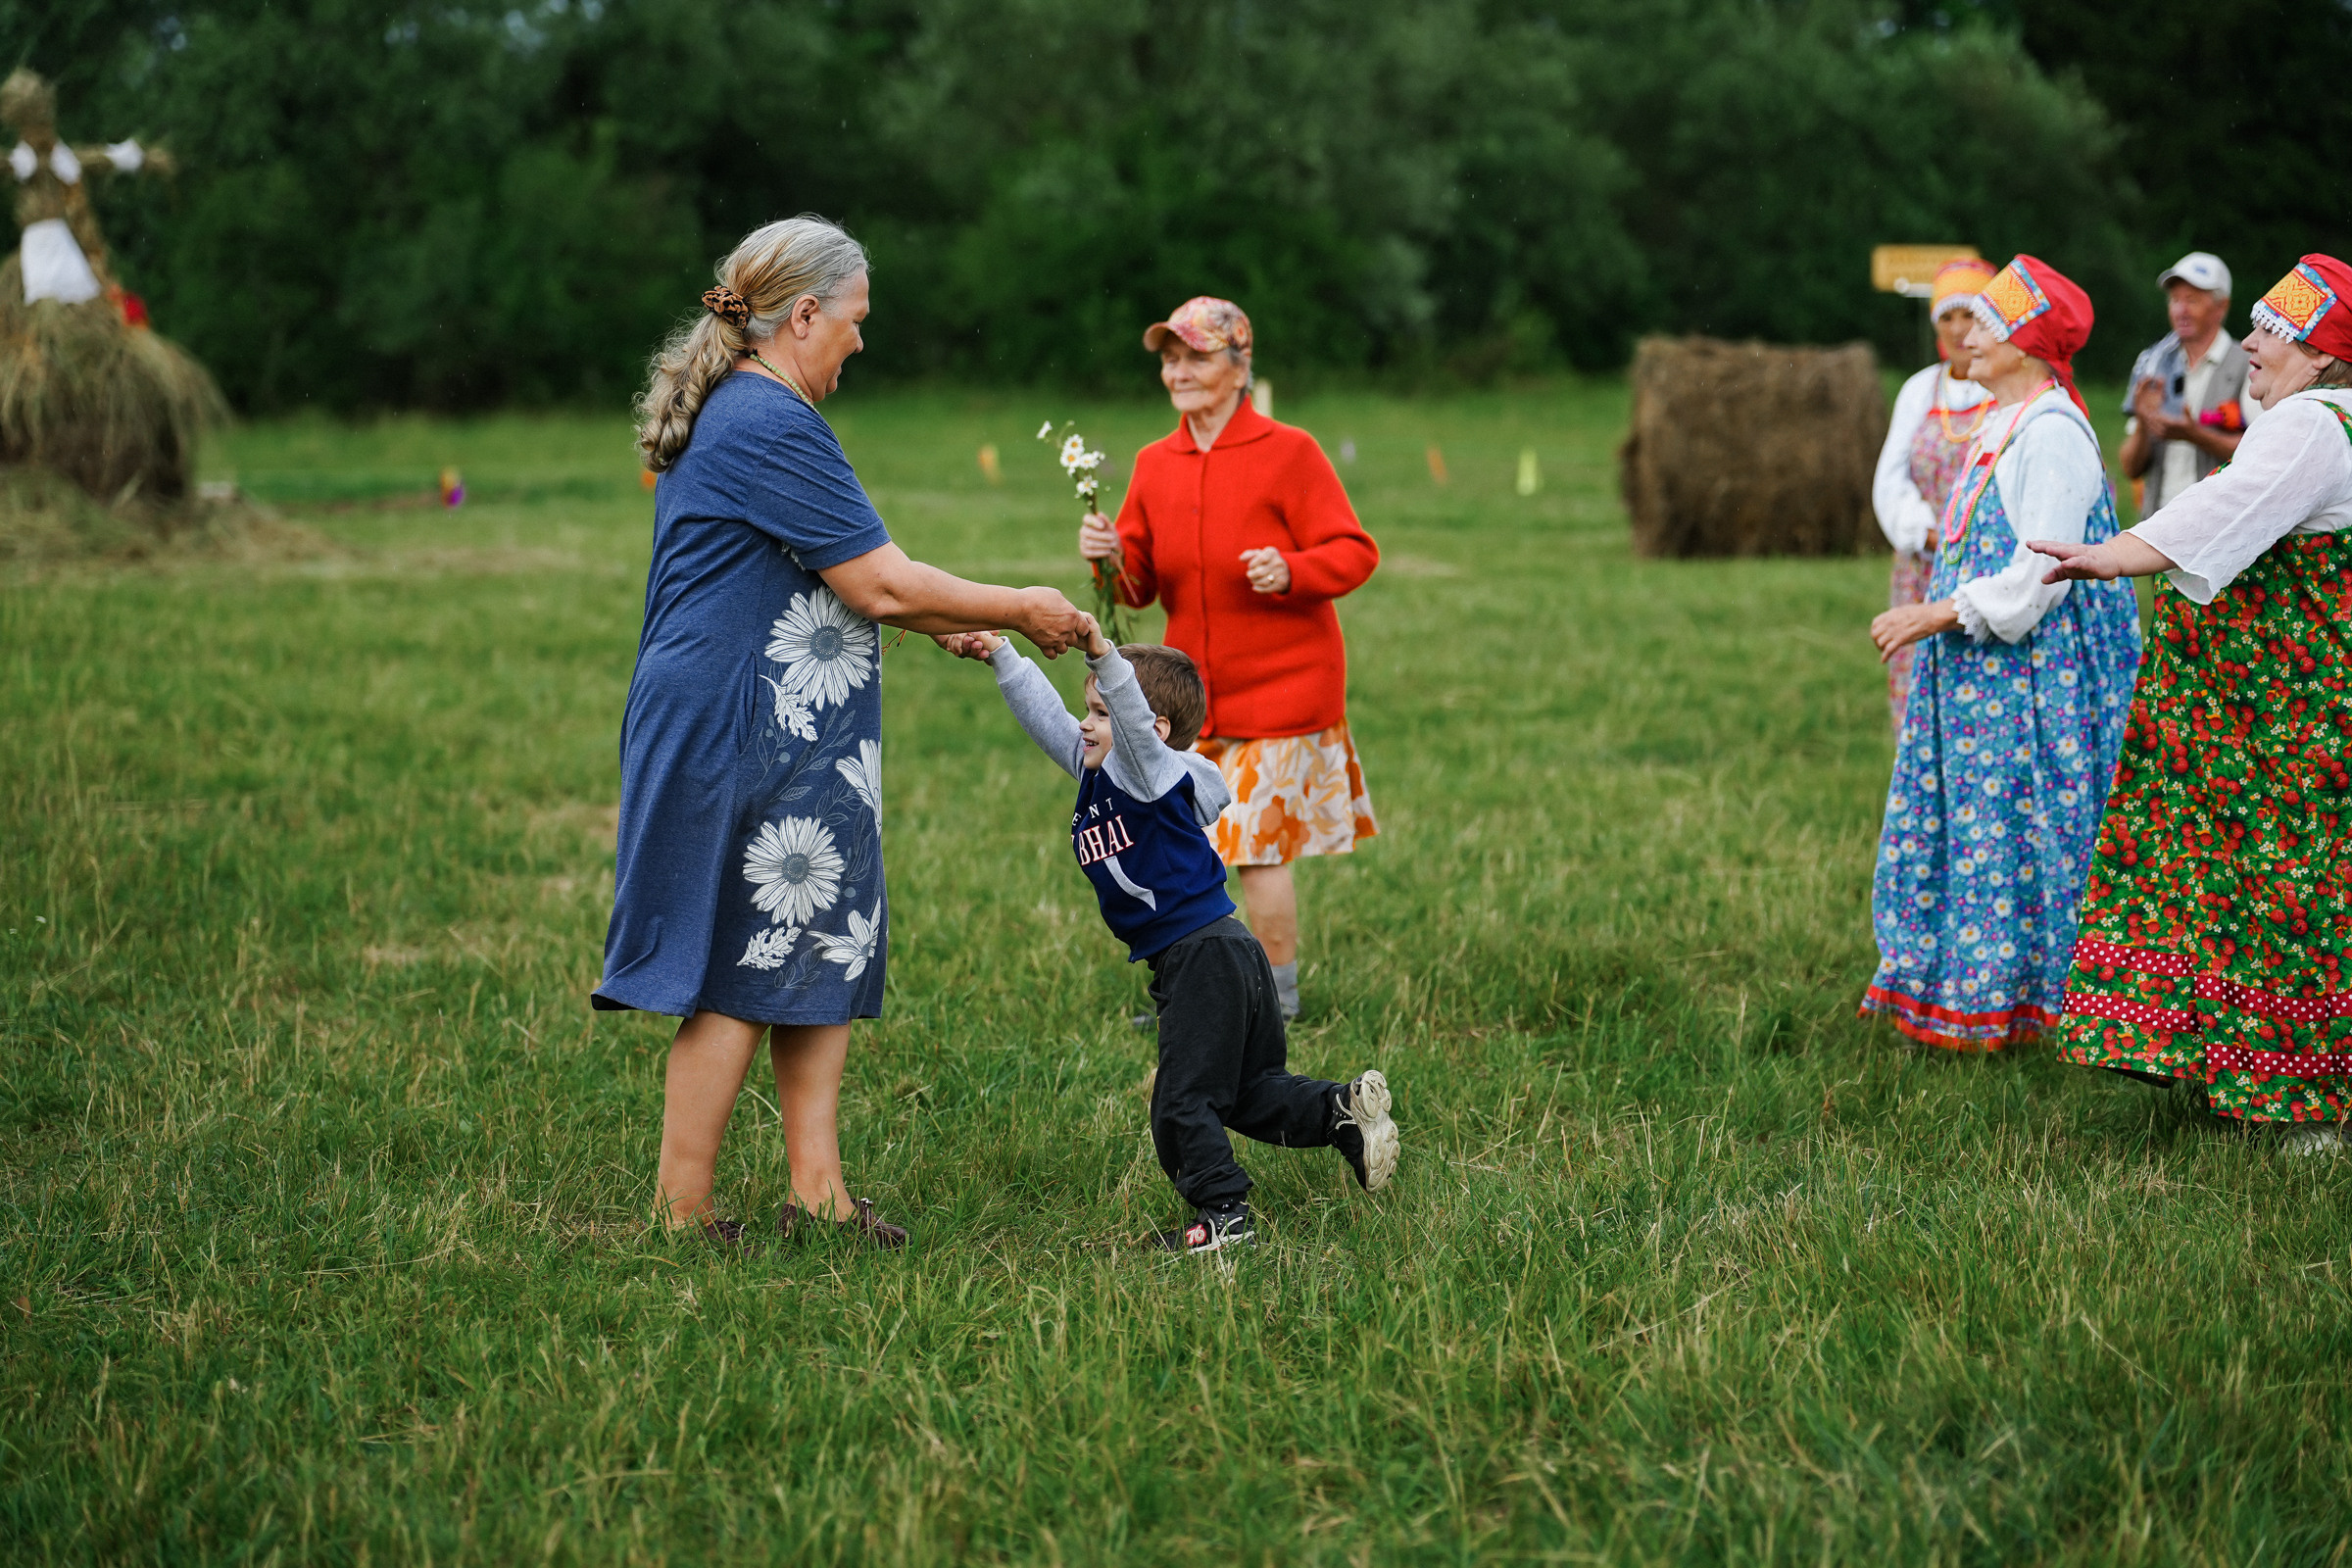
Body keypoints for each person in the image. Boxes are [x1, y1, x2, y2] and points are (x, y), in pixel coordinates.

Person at [594, 217, 1088, 1250]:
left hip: (782, 720)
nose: (862, 342)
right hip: (741, 721)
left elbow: (834, 574)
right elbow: (876, 575)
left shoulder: (756, 409)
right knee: (742, 949)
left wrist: (930, 614)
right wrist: (1017, 606)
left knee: (819, 927)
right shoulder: (766, 419)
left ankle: (817, 1193)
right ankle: (680, 1213)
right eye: (854, 320)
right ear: (804, 313)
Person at [941, 617, 1397, 1253]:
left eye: (1101, 711)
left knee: (1180, 1105)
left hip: (1203, 958)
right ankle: (1342, 1114)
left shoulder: (1148, 775)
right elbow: (1048, 717)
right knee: (1243, 1094)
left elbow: (1129, 717)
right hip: (1223, 952)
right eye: (1088, 708)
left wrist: (1103, 652)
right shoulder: (1100, 772)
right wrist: (1000, 654)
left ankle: (1224, 1219)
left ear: (1148, 731)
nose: (1085, 723)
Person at [2034, 254, 2352, 1151]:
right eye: (2253, 326)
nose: (2251, 344)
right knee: (2299, 879)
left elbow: (2233, 509)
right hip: (2298, 700)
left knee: (2289, 882)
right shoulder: (2334, 422)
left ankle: (2304, 1100)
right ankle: (2264, 1069)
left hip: (2285, 710)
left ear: (2322, 355)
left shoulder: (2308, 428)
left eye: (2275, 334)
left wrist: (2115, 553)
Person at [1860, 256, 2143, 1051]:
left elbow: (2036, 580)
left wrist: (1934, 614)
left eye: (1988, 324)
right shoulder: (2003, 423)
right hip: (1991, 674)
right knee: (1990, 831)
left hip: (2030, 675)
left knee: (2024, 832)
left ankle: (2032, 1005)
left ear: (2027, 344)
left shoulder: (2050, 435)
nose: (1968, 337)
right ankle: (1980, 994)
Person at [1078, 297, 1380, 1021]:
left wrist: (1293, 569)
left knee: (1258, 851)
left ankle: (1274, 1000)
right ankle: (1197, 989)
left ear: (1240, 367)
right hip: (1190, 700)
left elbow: (1354, 552)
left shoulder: (1291, 452)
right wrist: (1110, 560)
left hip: (1285, 690)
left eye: (1196, 356)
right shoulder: (1156, 462)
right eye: (1169, 358)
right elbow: (1140, 587)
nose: (1177, 370)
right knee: (1181, 845)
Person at [1872, 257, 1996, 723]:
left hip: (1987, 564)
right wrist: (1925, 535)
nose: (1960, 329)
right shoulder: (1921, 390)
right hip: (1923, 566)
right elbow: (1890, 478)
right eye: (1948, 316)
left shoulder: (2004, 390)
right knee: (1921, 691)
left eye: (1971, 315)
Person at [2118, 252, 2254, 517]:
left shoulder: (2251, 363)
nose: (2180, 310)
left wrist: (2195, 435)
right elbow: (2130, 469)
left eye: (2191, 300)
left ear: (2221, 307)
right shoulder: (2153, 362)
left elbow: (2262, 453)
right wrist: (2145, 425)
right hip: (2157, 530)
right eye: (2174, 299)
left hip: (2220, 531)